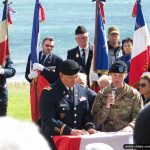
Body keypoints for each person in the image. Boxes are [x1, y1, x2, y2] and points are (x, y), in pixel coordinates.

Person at [40, 59, 96, 148]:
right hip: (55, 141)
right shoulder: (49, 92)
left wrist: (90, 127)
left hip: (77, 141)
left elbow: (87, 115)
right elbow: (48, 120)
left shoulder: (81, 89)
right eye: (70, 77)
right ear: (61, 75)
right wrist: (69, 130)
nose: (74, 80)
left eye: (76, 77)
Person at [91, 61, 143, 132]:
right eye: (115, 75)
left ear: (126, 75)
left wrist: (130, 126)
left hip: (126, 134)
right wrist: (106, 107)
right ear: (110, 75)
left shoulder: (134, 94)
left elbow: (139, 116)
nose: (117, 79)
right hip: (107, 135)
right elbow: (96, 120)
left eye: (121, 76)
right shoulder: (102, 94)